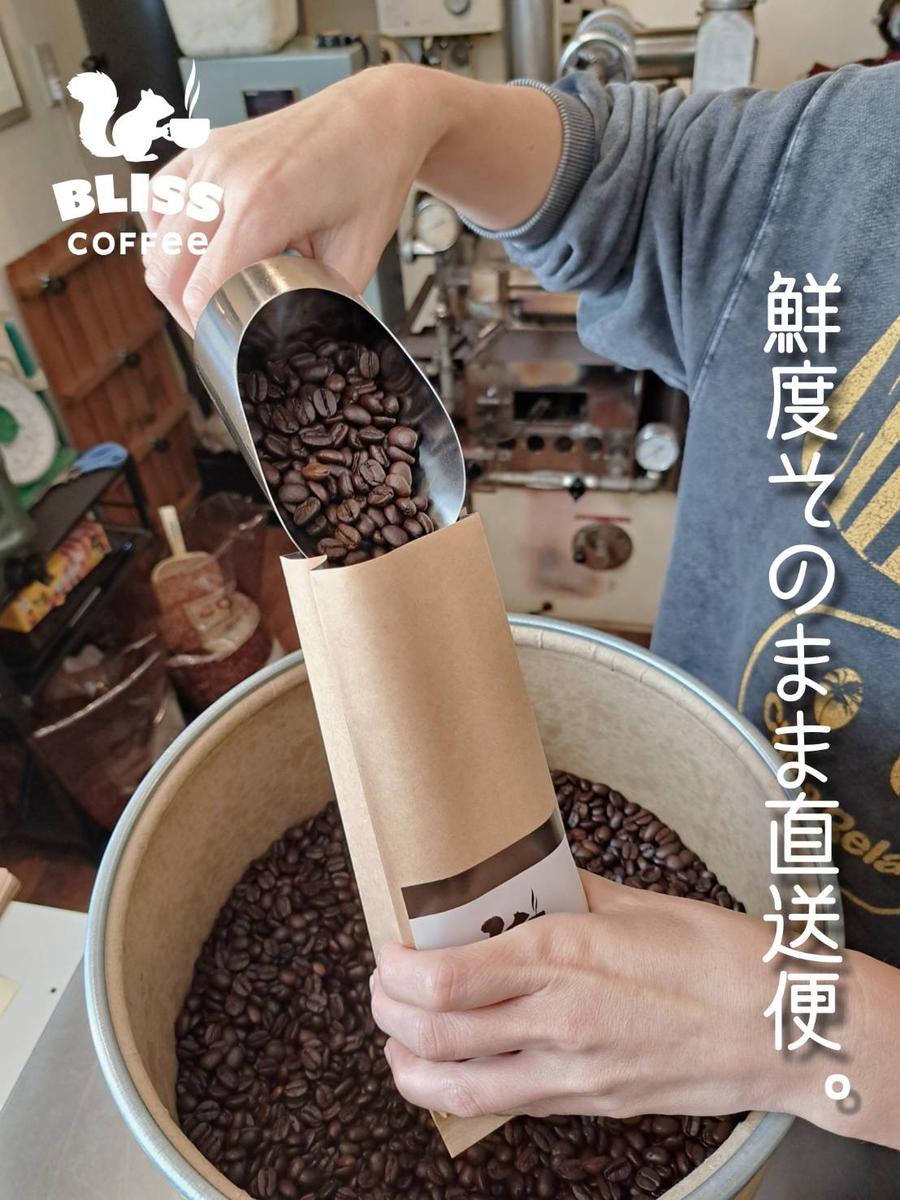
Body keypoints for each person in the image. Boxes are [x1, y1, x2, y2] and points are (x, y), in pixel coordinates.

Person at [144, 59, 900, 1171]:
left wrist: (814, 1027)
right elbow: (641, 190)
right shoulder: (866, 138)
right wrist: (417, 112)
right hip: (723, 784)